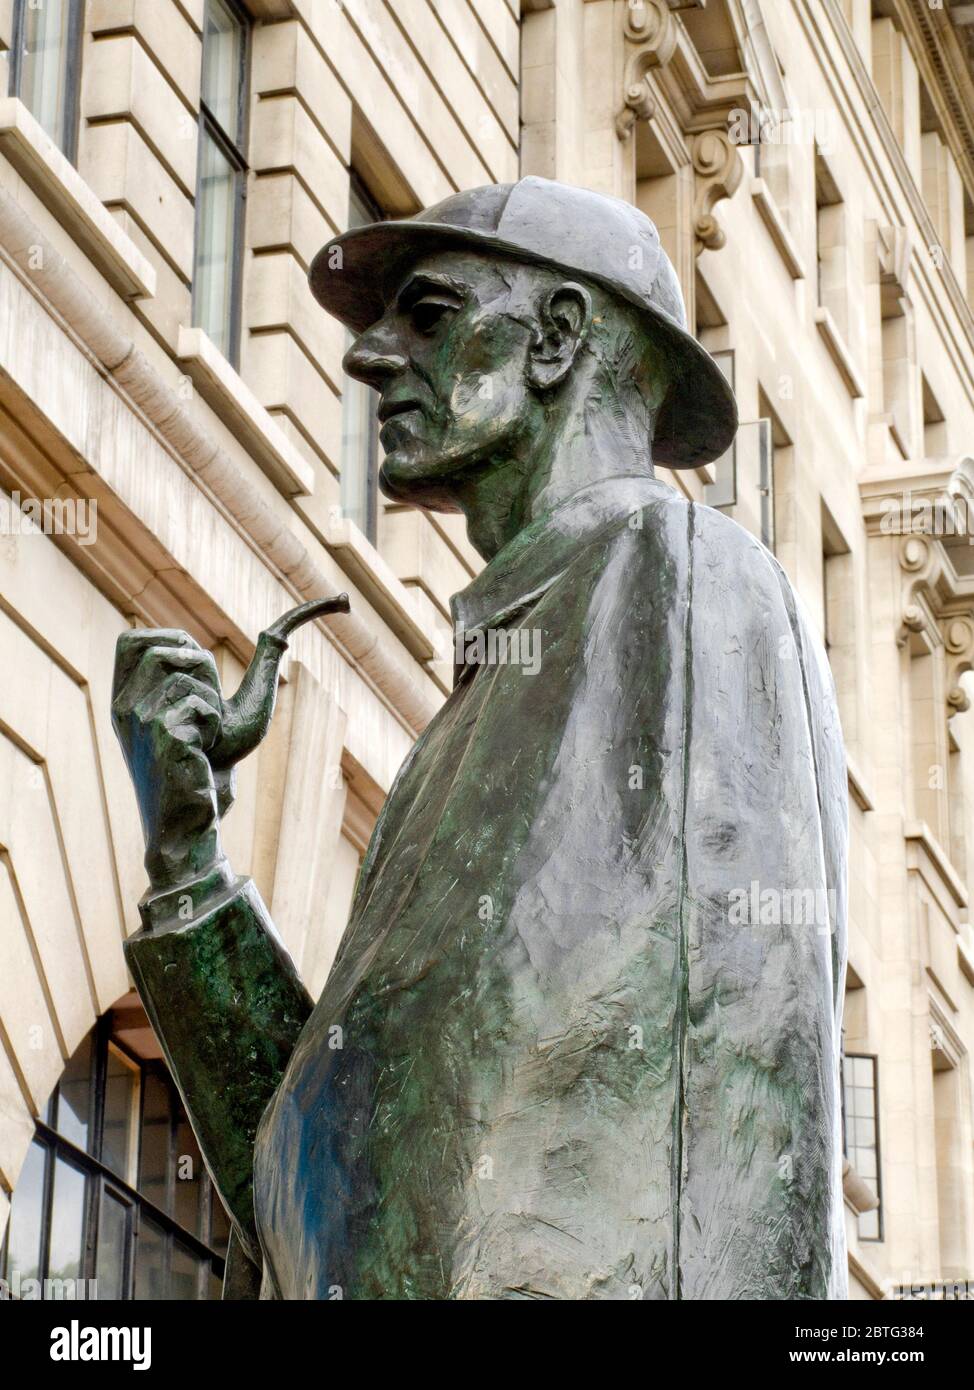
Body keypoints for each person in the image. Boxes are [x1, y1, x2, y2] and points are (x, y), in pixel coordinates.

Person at [111, 177, 847, 1300]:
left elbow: (757, 1086)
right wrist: (187, 868)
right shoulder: (465, 727)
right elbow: (305, 1174)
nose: (368, 360)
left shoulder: (682, 576)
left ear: (554, 339)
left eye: (430, 315)